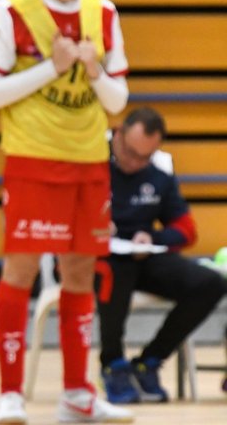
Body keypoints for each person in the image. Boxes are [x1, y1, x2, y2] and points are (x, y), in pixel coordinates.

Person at [0, 0, 133, 424]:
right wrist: (53, 67)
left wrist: (91, 67)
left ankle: (77, 395)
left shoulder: (103, 13)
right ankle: (11, 394)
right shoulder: (9, 11)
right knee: (19, 271)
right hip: (33, 160)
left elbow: (117, 102)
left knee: (81, 274)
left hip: (89, 162)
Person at [98, 107, 227, 403]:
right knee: (116, 269)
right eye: (130, 152)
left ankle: (150, 361)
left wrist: (153, 238)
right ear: (117, 134)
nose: (134, 162)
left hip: (142, 255)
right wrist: (93, 226)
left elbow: (186, 229)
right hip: (95, 258)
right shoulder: (91, 161)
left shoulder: (157, 174)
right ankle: (113, 364)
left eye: (144, 157)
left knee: (211, 283)